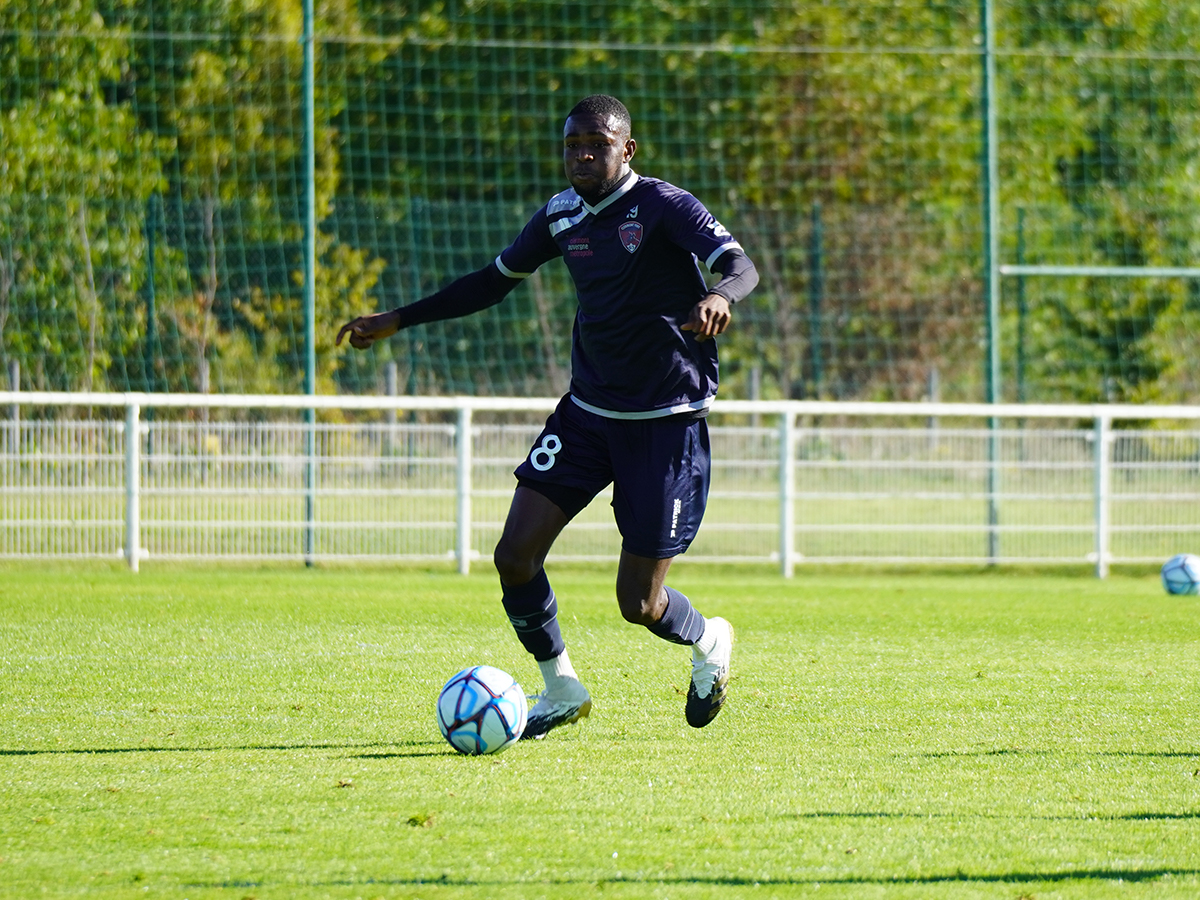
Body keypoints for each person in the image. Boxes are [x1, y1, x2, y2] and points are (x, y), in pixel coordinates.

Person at [337, 94, 759, 739]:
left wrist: (718, 294)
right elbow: (491, 280)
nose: (583, 154)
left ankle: (710, 641)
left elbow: (739, 264)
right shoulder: (560, 216)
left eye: (597, 142)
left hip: (666, 422)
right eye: (572, 144)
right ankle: (560, 686)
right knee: (514, 555)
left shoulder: (664, 206)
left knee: (639, 604)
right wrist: (399, 318)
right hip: (587, 414)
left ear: (628, 148)